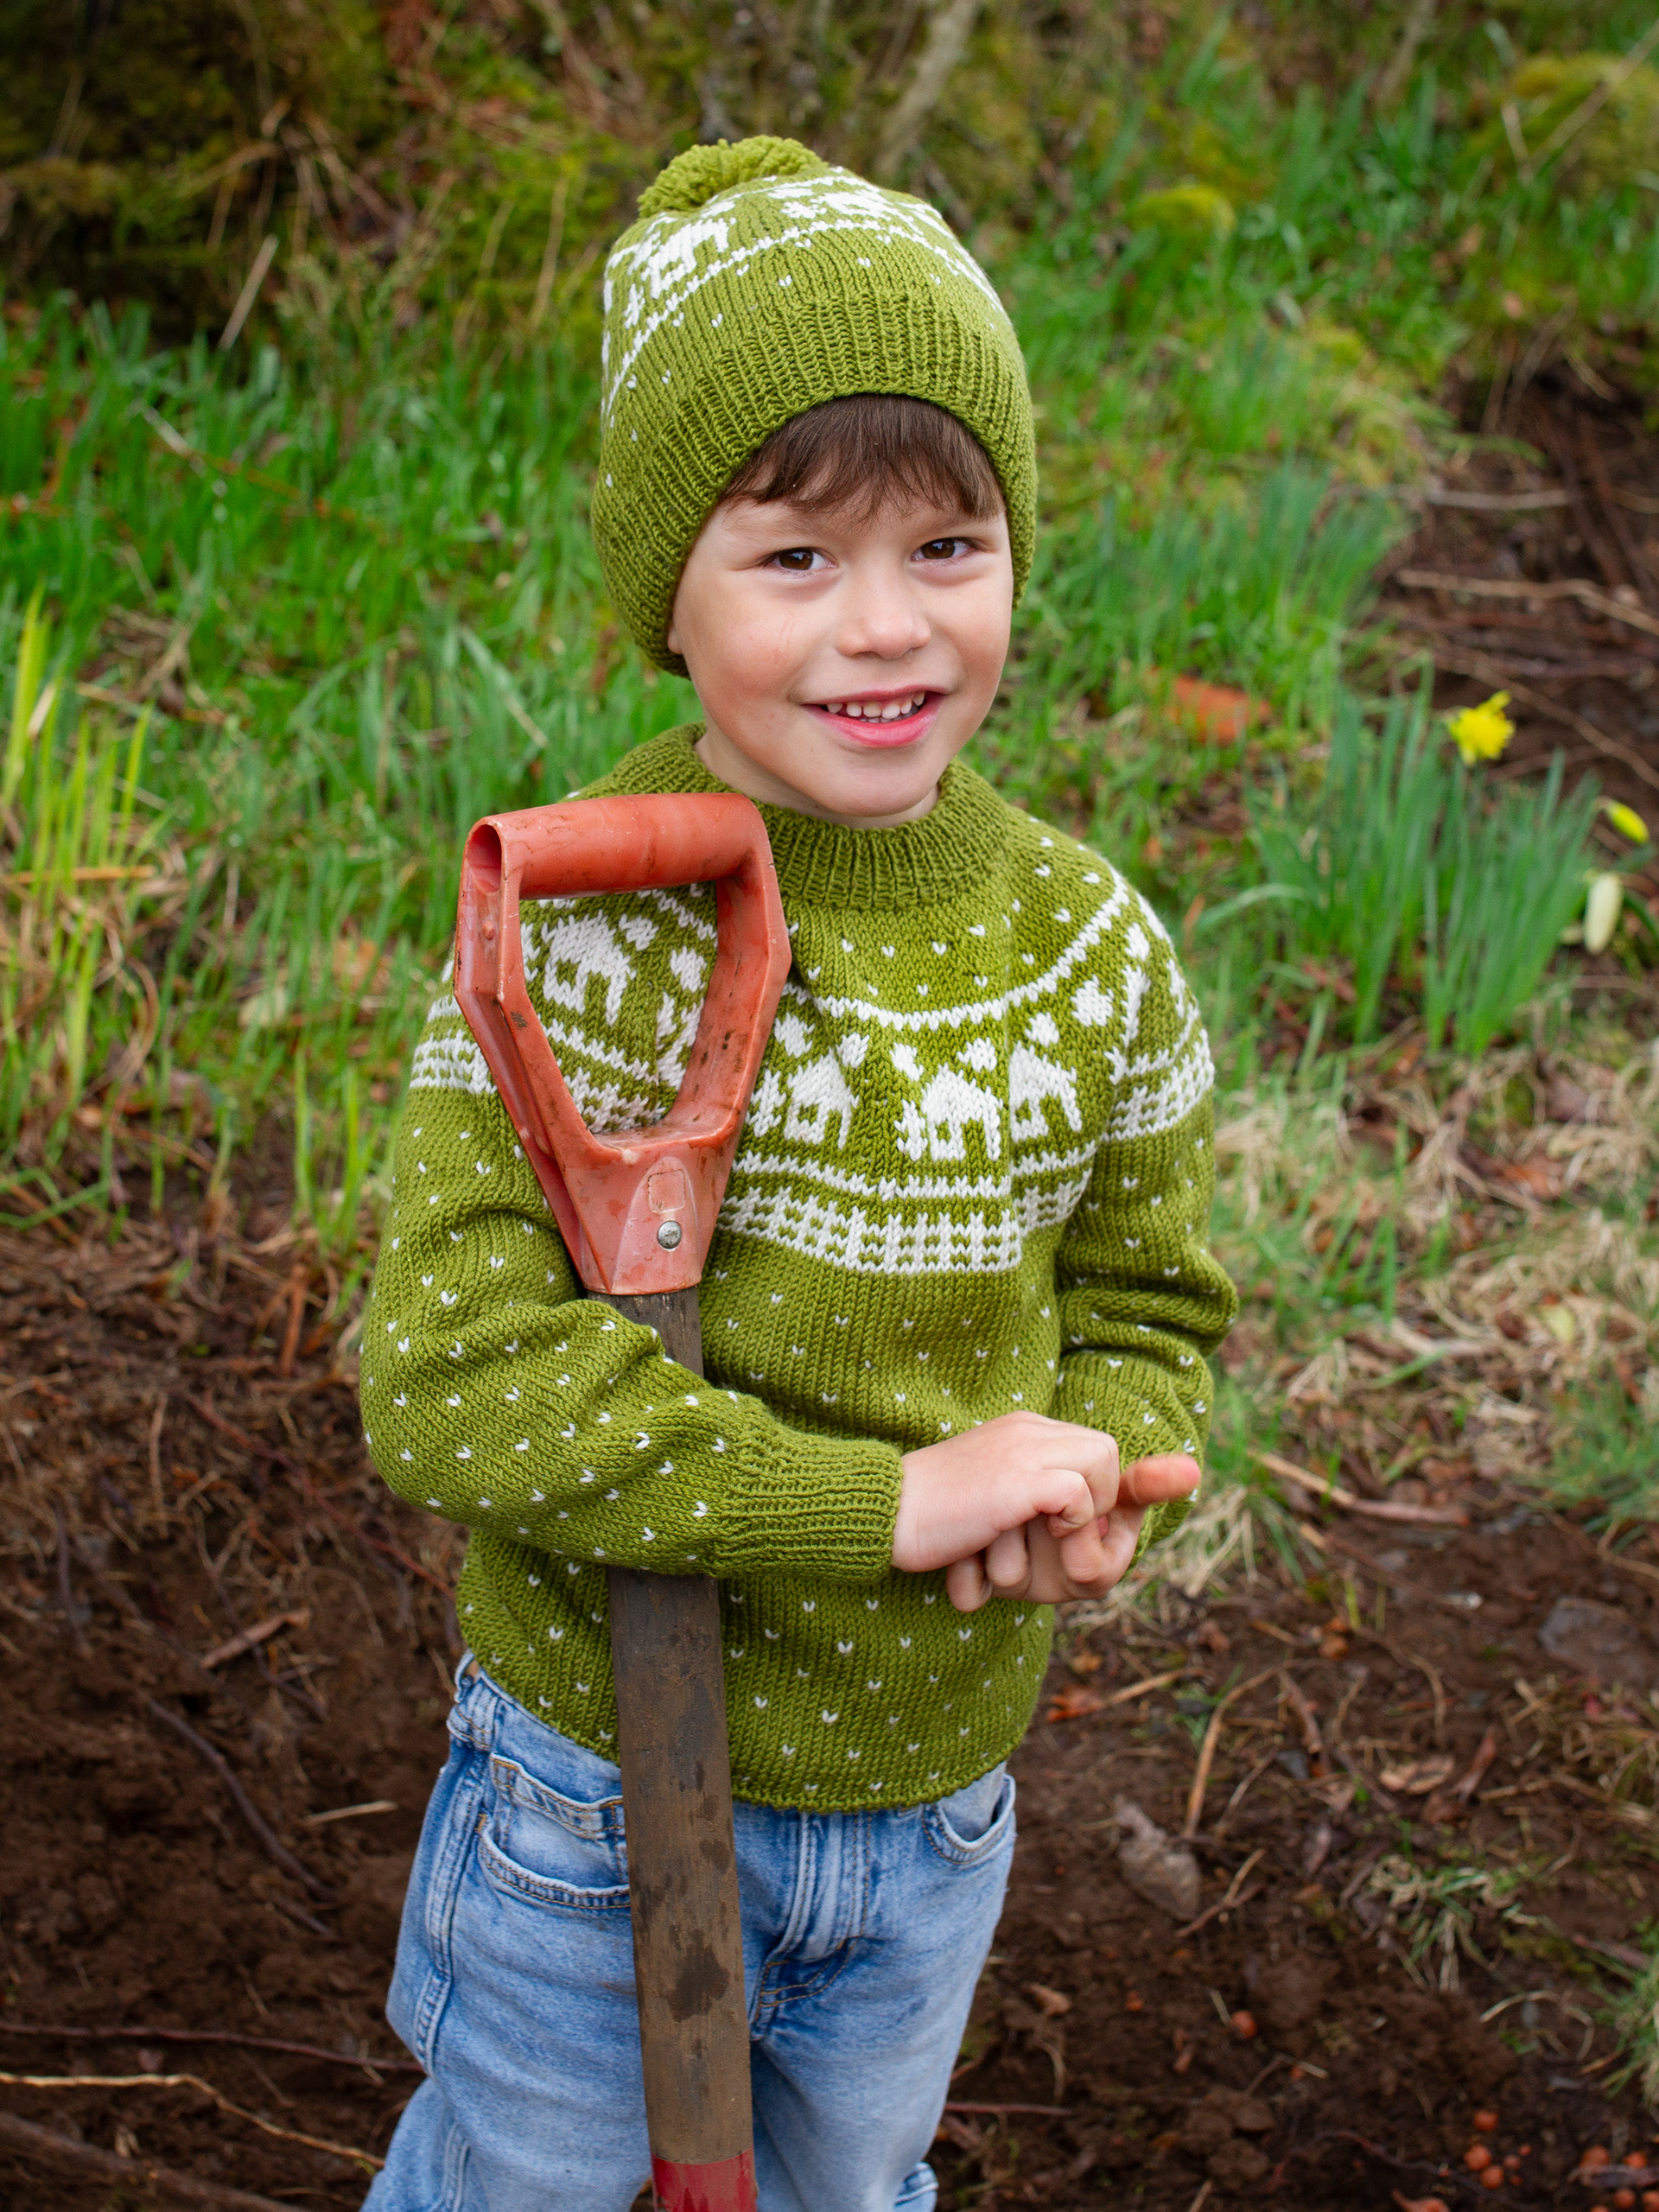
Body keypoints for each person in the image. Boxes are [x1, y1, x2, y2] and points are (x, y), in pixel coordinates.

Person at [359, 134, 1236, 2212]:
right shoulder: (587, 926)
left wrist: (1109, 1456)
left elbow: (1147, 1294)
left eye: (950, 545)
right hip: (589, 1794)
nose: (886, 629)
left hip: (932, 1809)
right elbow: (446, 1370)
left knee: (846, 2193)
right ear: (663, 588)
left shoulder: (1082, 944)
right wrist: (881, 1500)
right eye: (792, 557)